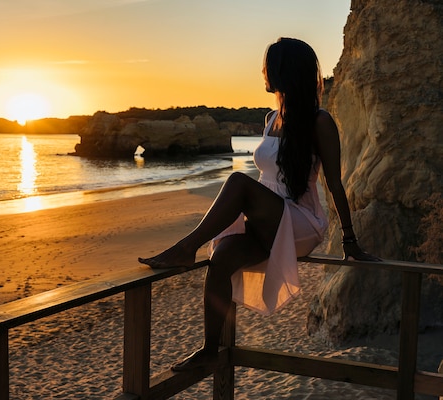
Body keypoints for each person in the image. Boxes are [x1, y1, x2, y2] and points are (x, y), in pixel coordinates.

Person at [138, 37, 380, 371]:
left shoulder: (320, 121)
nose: (261, 71)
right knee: (221, 257)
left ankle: (184, 248)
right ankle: (210, 349)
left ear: (284, 71)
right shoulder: (270, 118)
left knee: (238, 182)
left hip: (299, 221)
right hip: (266, 219)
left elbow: (335, 183)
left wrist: (350, 241)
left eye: (268, 65)